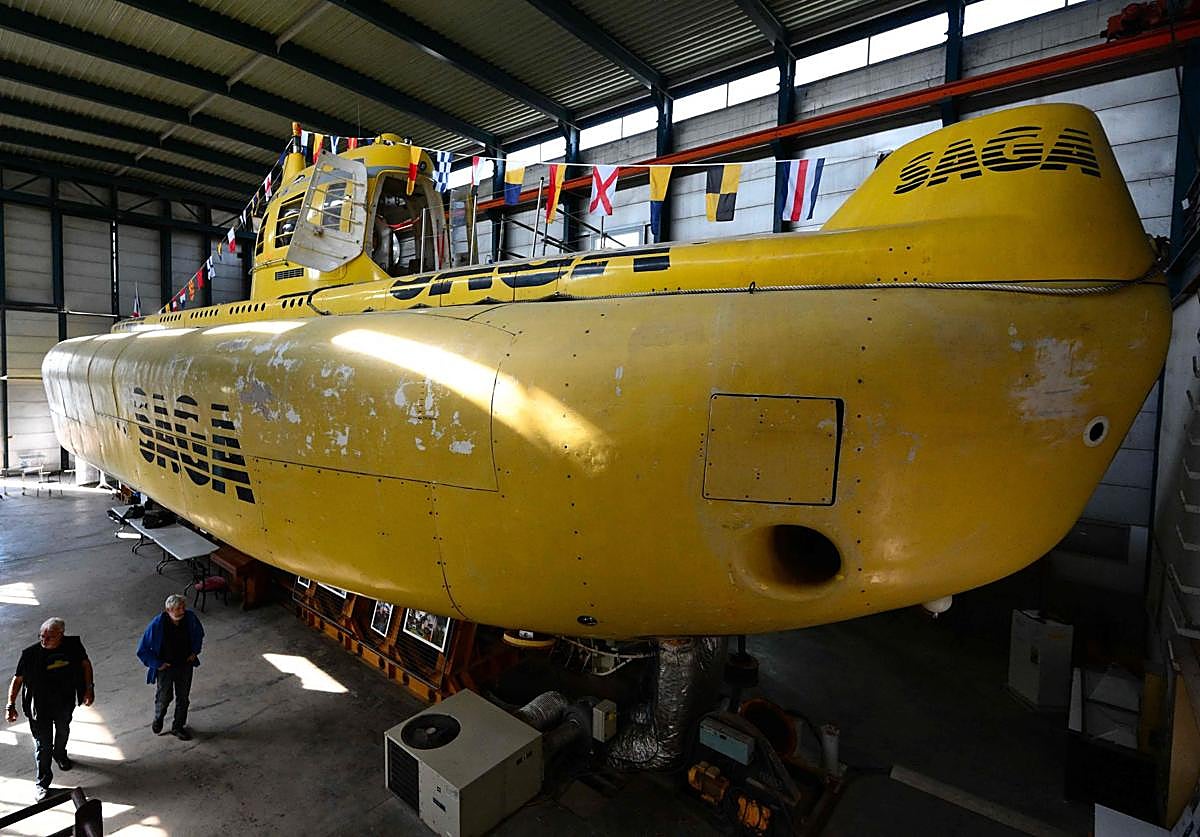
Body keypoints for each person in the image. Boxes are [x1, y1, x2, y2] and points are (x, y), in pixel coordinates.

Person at [5, 617, 95, 801]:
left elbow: (85, 665)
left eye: (49, 637)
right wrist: (10, 705)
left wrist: (89, 688)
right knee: (43, 746)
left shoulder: (72, 646)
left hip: (64, 703)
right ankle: (42, 783)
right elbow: (18, 680)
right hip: (39, 709)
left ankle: (60, 754)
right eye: (41, 636)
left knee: (63, 731)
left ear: (61, 635)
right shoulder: (30, 654)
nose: (44, 640)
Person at [136, 593, 204, 741]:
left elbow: (199, 634)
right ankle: (158, 718)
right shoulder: (157, 625)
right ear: (168, 610)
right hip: (166, 668)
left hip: (185, 665)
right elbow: (142, 650)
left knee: (183, 698)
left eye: (183, 607)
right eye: (178, 609)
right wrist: (157, 664)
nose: (182, 611)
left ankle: (178, 727)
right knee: (164, 696)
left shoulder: (190, 619)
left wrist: (194, 651)